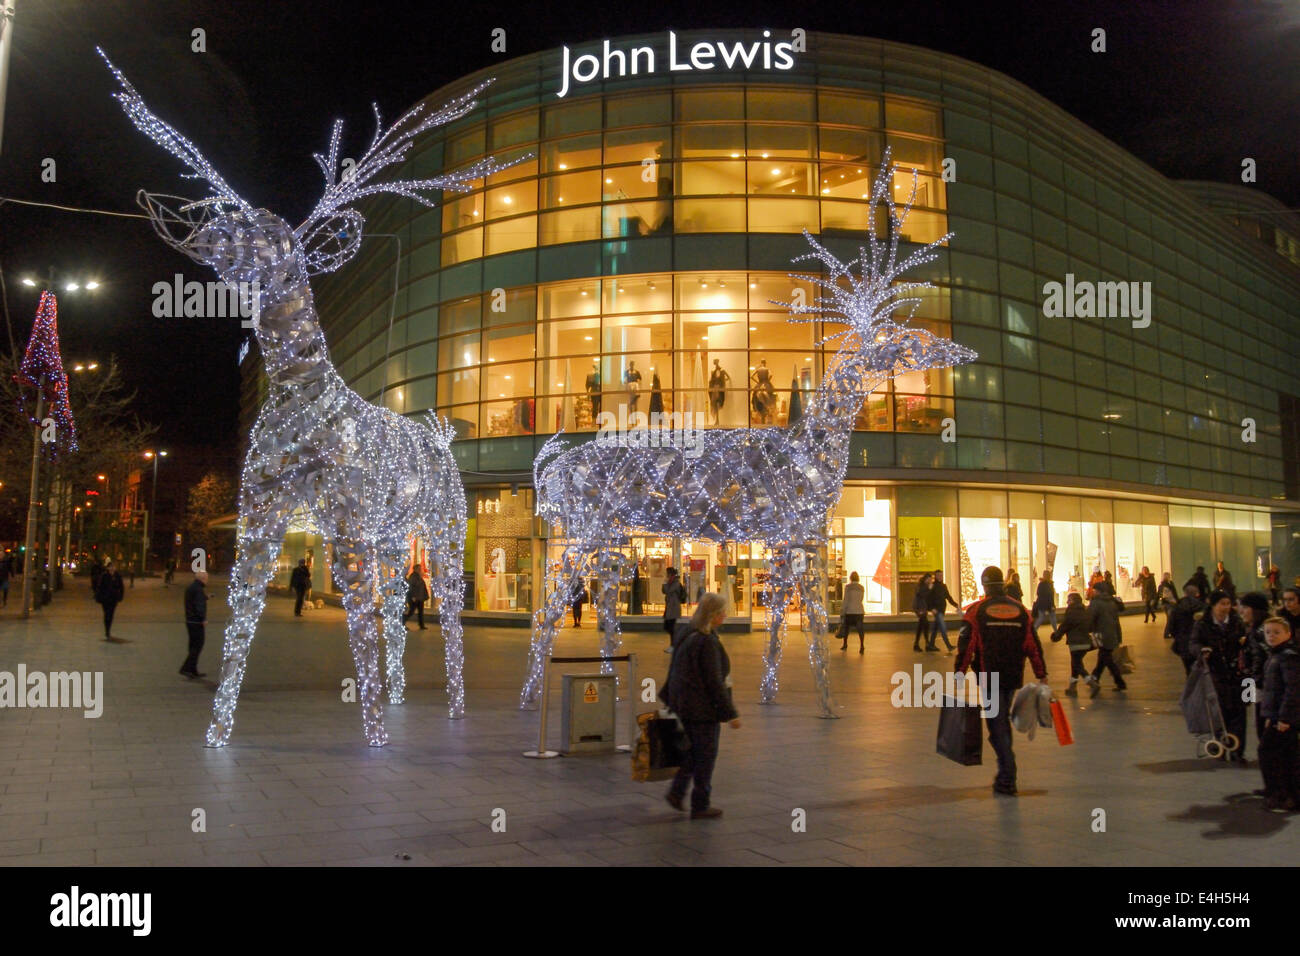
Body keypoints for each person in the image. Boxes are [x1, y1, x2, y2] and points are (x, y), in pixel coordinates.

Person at [956, 566, 1047, 796]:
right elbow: (1032, 644)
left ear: (984, 585)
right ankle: (1004, 771)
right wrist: (1041, 673)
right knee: (999, 721)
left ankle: (1007, 775)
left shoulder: (977, 611)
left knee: (997, 726)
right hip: (1012, 676)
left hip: (990, 677)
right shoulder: (1020, 610)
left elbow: (967, 645)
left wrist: (959, 671)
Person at [661, 592, 740, 819]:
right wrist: (730, 713)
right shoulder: (706, 642)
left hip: (684, 704)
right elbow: (714, 681)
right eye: (722, 612)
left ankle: (677, 792)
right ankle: (700, 804)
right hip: (702, 709)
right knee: (705, 756)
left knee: (692, 753)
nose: (725, 616)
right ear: (713, 615)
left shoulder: (687, 633)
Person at [1189, 589, 1248, 764]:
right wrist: (1201, 651)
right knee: (1218, 712)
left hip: (1239, 676)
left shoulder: (1238, 623)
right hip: (1215, 674)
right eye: (1222, 604)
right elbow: (1193, 643)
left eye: (1228, 603)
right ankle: (1220, 749)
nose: (1226, 607)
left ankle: (1237, 751)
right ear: (1213, 605)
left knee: (1240, 712)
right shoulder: (1203, 624)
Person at [1257, 616, 1300, 811]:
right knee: (1282, 754)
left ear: (1287, 634)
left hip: (1284, 718)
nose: (1271, 636)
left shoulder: (1288, 656)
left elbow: (1293, 689)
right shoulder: (1276, 655)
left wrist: (1284, 718)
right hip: (1277, 715)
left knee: (1272, 753)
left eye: (1276, 632)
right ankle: (1279, 791)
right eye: (1268, 632)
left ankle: (1280, 793)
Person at [1238, 592, 1271, 757]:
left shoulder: (1264, 631)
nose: (1241, 611)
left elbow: (1262, 662)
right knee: (1260, 724)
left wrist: (1250, 688)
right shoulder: (1253, 629)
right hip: (1258, 685)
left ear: (1255, 610)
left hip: (1265, 686)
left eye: (1245, 608)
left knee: (1264, 727)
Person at [1086, 588, 1126, 696]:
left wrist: (1087, 629)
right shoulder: (1111, 601)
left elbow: (1090, 618)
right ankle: (1095, 677)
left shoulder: (1096, 603)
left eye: (1095, 590)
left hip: (1101, 633)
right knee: (1103, 656)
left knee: (1107, 658)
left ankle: (1120, 682)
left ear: (1098, 591)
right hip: (1112, 632)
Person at [1168, 583, 1206, 675]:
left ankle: (1191, 685)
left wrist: (1177, 637)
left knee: (1188, 670)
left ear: (1184, 594)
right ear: (1197, 594)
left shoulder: (1177, 608)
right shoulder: (1202, 607)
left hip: (1183, 643)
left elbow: (1171, 627)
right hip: (1198, 644)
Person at [180, 571, 208, 678]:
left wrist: (206, 598)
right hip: (196, 622)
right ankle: (186, 668)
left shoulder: (192, 587)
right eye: (206, 578)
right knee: (198, 645)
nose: (207, 580)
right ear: (203, 578)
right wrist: (203, 619)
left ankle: (193, 670)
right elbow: (199, 606)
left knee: (193, 646)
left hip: (189, 620)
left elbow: (192, 601)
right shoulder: (199, 590)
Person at [927, 570, 959, 652]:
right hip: (937, 611)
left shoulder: (943, 586)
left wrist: (955, 605)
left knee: (935, 628)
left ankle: (930, 645)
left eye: (941, 575)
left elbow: (948, 597)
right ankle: (948, 646)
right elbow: (928, 598)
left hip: (941, 610)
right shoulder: (932, 586)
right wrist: (931, 608)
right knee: (943, 628)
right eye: (938, 575)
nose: (940, 577)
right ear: (935, 576)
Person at [94, 560, 125, 640]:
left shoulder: (117, 576)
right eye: (110, 567)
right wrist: (98, 596)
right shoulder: (104, 576)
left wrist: (120, 596)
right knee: (107, 614)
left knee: (111, 614)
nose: (112, 568)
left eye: (113, 567)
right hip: (105, 599)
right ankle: (107, 630)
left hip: (114, 598)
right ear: (107, 568)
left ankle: (108, 629)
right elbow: (99, 587)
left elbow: (121, 587)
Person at [839, 571, 866, 653]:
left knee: (846, 628)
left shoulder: (848, 587)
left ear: (850, 578)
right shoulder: (861, 587)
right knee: (860, 629)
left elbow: (846, 600)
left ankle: (845, 644)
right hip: (859, 611)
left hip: (850, 611)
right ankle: (862, 645)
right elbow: (861, 599)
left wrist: (842, 611)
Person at [662, 567, 687, 653]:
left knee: (671, 627)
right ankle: (674, 644)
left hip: (674, 608)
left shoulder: (675, 583)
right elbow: (664, 591)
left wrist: (665, 583)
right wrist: (665, 583)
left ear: (671, 574)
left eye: (668, 574)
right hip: (669, 607)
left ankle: (674, 645)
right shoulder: (671, 582)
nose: (667, 576)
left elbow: (668, 590)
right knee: (668, 626)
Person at [911, 572, 932, 652]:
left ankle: (918, 644)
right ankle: (926, 644)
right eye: (929, 579)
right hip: (920, 608)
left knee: (921, 625)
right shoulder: (922, 586)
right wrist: (929, 589)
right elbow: (922, 595)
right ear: (926, 579)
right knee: (925, 624)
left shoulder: (923, 586)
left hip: (922, 607)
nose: (930, 581)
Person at [404, 565, 429, 630]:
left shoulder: (418, 576)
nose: (420, 570)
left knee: (420, 612)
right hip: (415, 597)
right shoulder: (413, 576)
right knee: (411, 611)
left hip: (420, 597)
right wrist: (413, 596)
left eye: (420, 568)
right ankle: (403, 621)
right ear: (415, 569)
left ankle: (421, 625)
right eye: (419, 569)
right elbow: (412, 587)